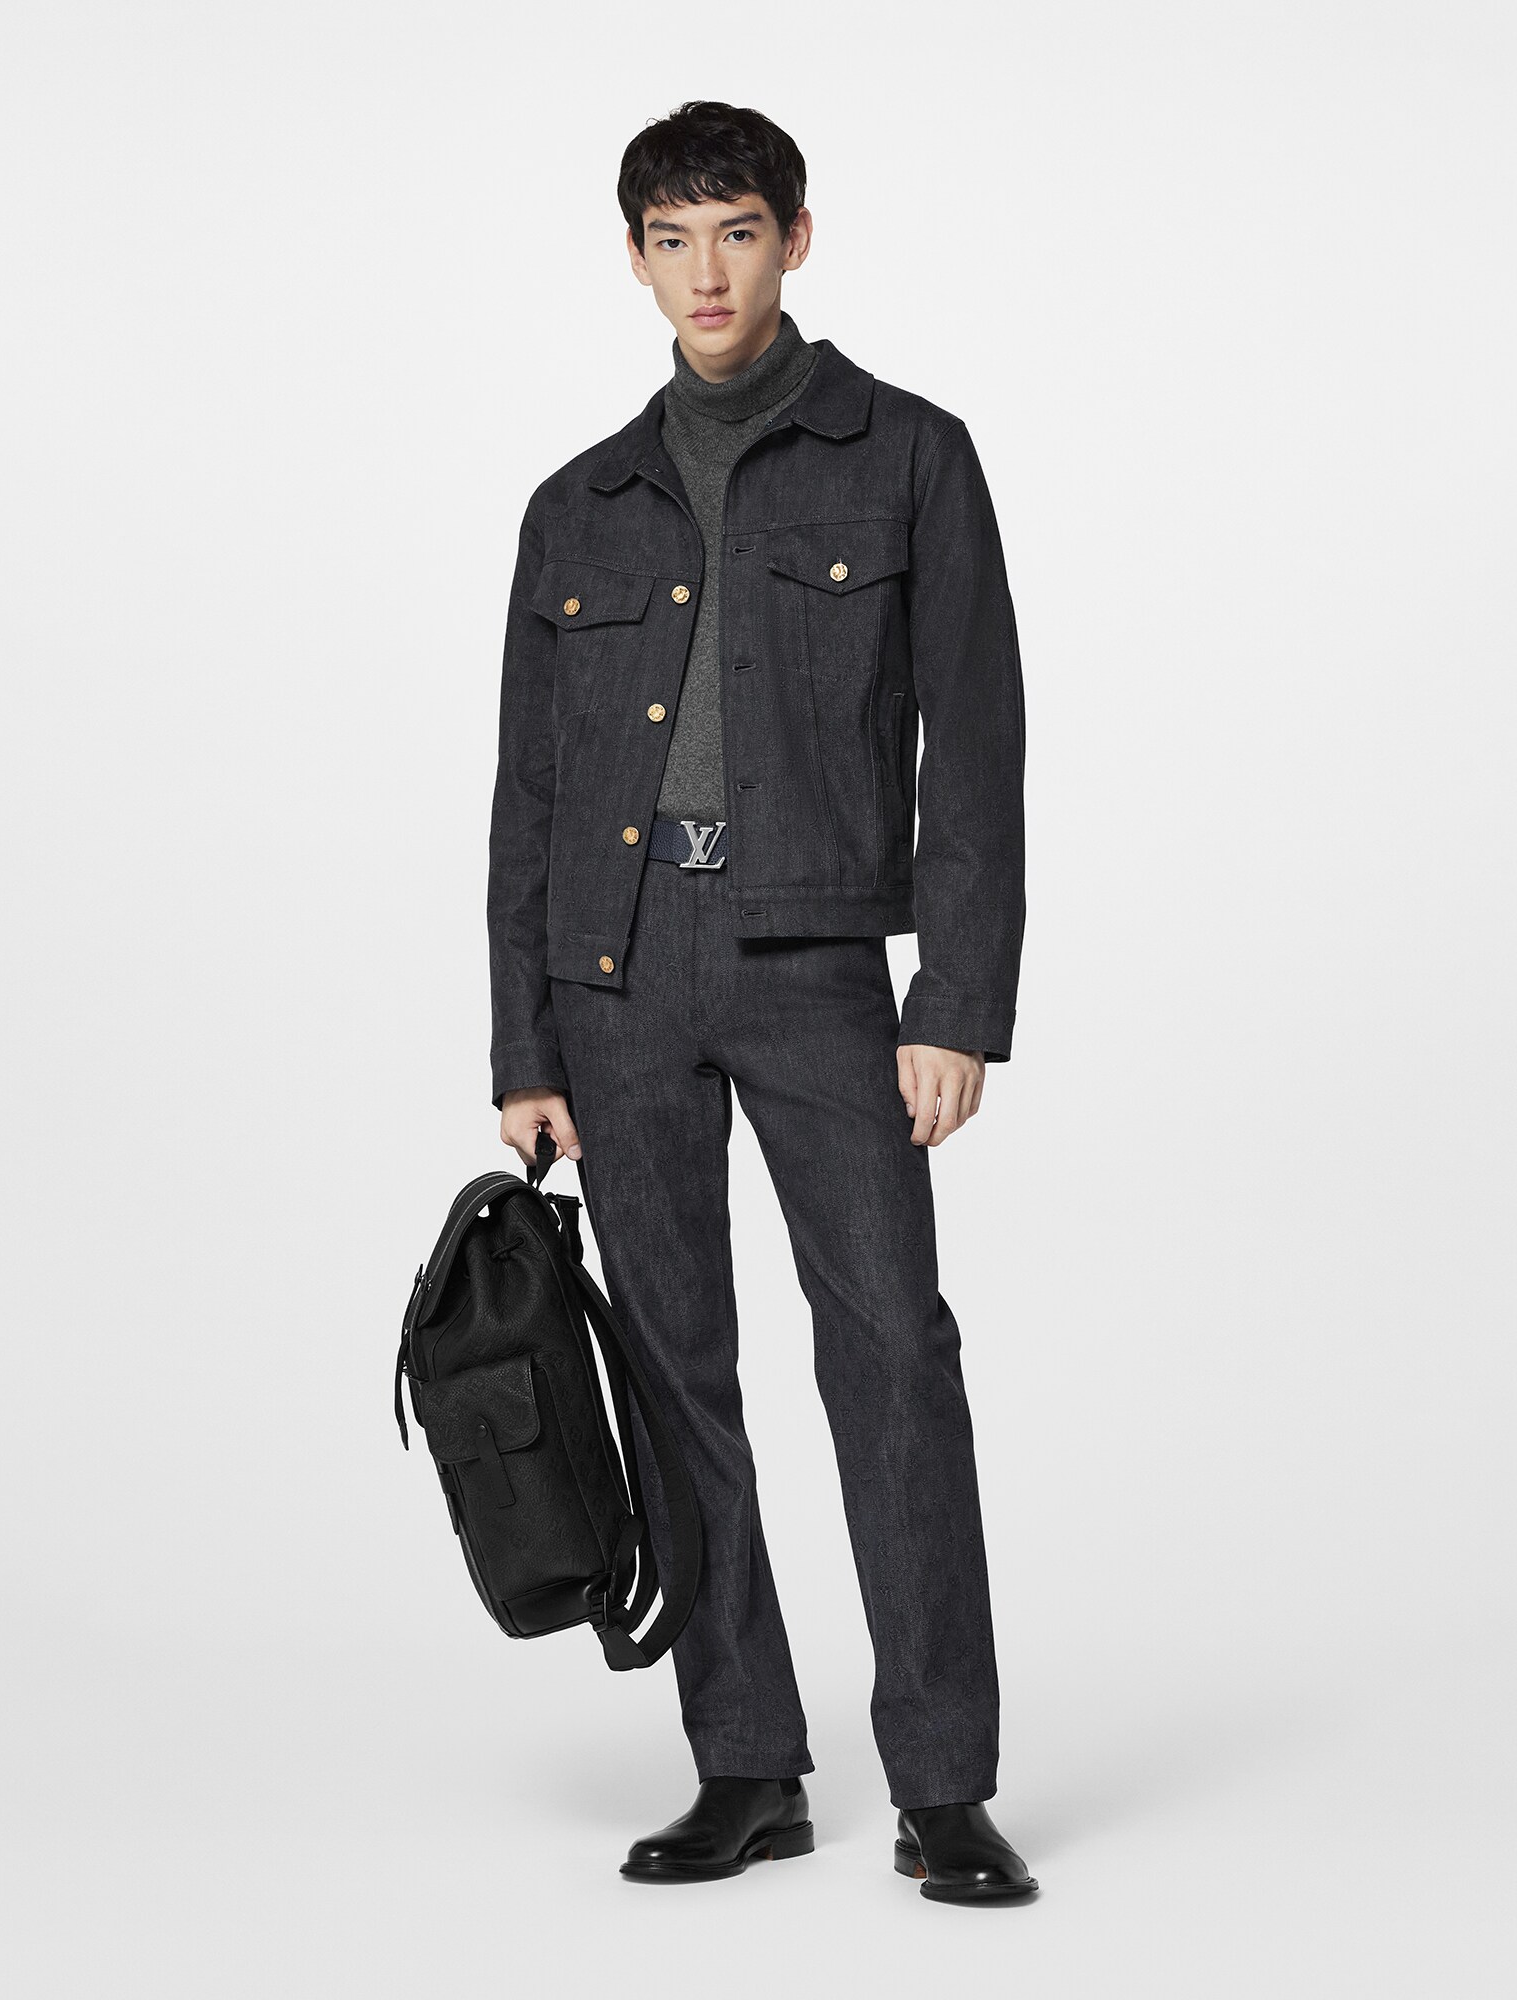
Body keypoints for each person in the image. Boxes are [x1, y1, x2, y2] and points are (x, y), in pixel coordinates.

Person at [485, 99, 1035, 1903]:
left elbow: (978, 750)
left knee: (892, 1353)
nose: (705, 272)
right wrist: (524, 1042)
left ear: (795, 240)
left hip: (817, 967)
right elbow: (530, 798)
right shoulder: (577, 504)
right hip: (617, 976)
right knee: (672, 1369)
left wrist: (956, 1000)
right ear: (635, 259)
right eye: (672, 239)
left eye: (736, 232)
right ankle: (745, 1762)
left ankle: (943, 1783)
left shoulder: (911, 456)